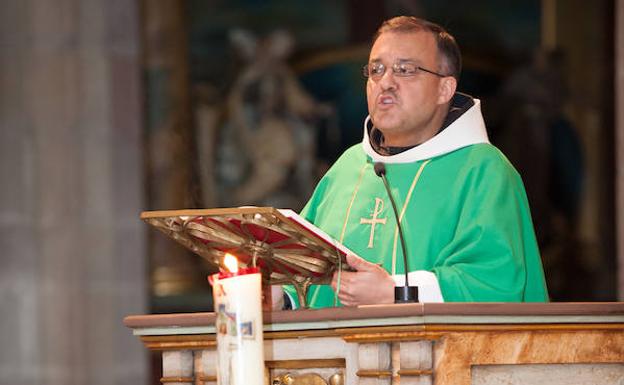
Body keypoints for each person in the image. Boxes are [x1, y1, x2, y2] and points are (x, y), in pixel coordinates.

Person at [279, 16, 549, 308]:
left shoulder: (483, 170)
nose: (386, 82)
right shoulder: (349, 167)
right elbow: (305, 263)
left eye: (405, 70)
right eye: (376, 70)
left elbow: (495, 282)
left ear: (444, 89)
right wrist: (280, 297)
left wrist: (395, 292)